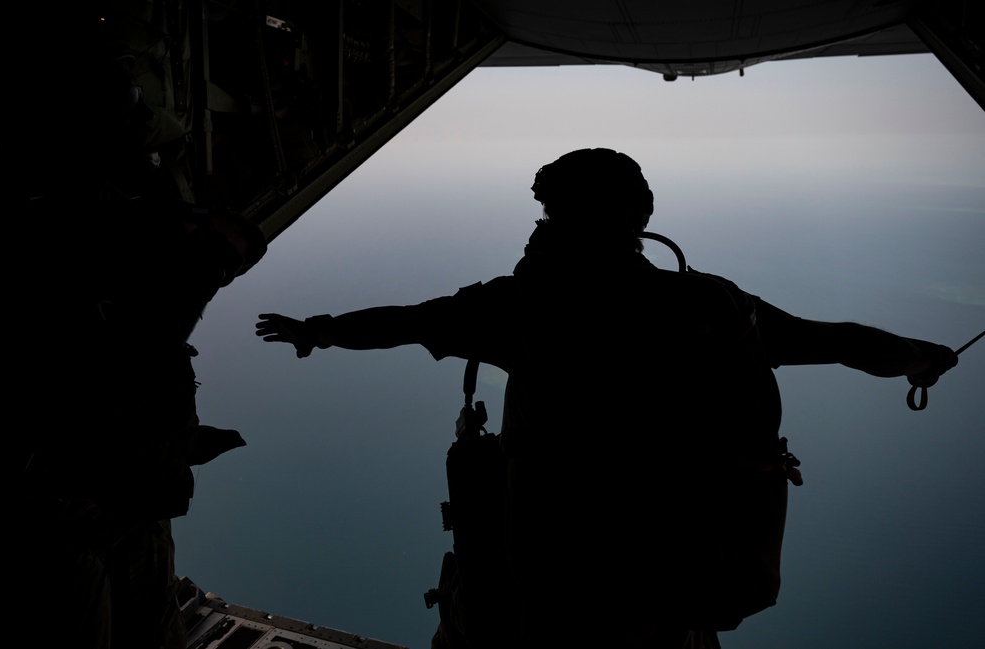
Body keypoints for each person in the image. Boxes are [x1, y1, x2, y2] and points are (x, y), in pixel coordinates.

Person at [255, 148, 958, 648]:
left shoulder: (522, 306)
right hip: (673, 589)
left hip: (546, 597)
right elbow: (834, 340)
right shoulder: (710, 306)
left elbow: (404, 323)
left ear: (554, 217)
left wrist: (318, 331)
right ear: (640, 216)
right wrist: (919, 357)